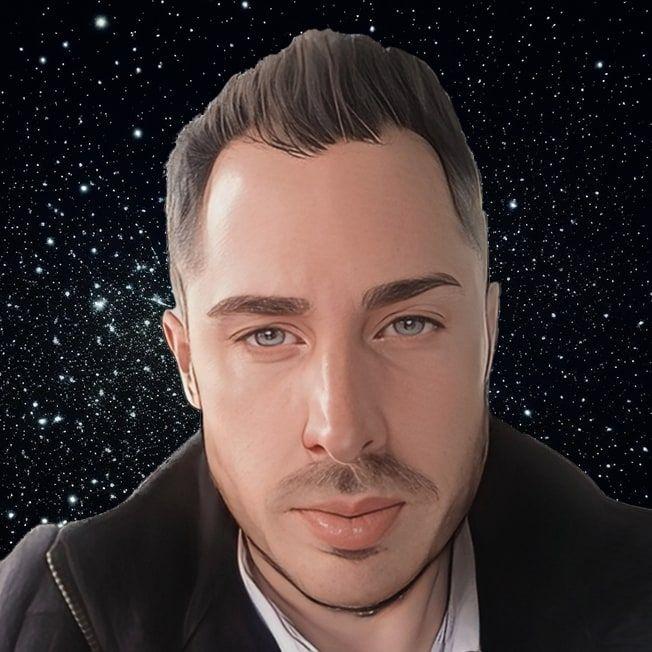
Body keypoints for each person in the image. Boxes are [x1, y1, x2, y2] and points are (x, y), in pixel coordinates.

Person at [1, 27, 650, 652]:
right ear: (187, 361)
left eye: (408, 324)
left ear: (488, 334)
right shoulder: (36, 621)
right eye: (268, 335)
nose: (342, 431)